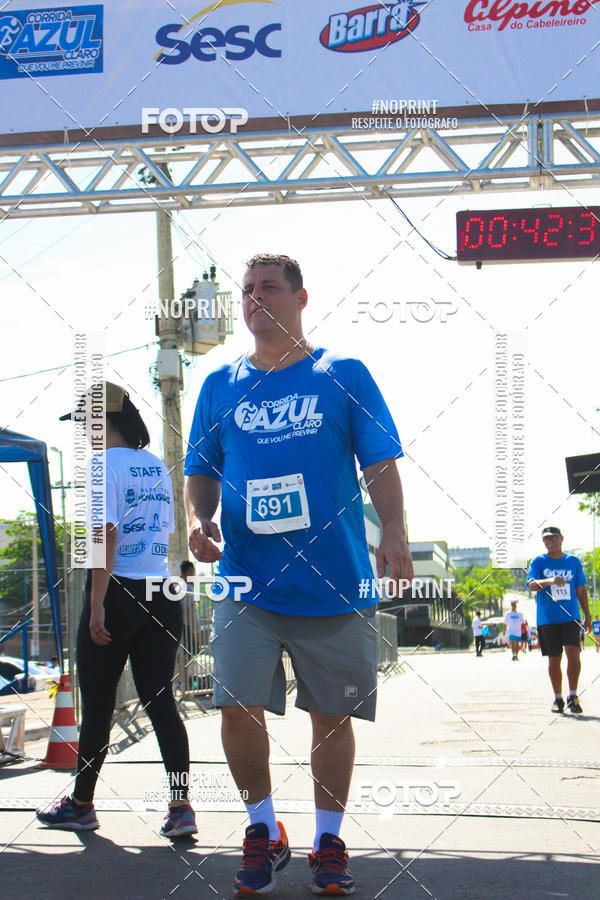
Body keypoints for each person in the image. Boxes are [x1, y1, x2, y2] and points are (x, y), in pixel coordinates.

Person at [184, 253, 413, 896]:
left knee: (332, 718)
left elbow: (381, 459)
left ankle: (329, 839)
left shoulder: (342, 374)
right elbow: (200, 470)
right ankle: (262, 827)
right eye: (247, 290)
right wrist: (199, 521)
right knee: (235, 705)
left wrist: (393, 530)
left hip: (334, 579)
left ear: (300, 298)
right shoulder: (218, 386)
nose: (256, 298)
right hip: (245, 580)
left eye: (269, 288)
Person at [37, 382, 196, 836]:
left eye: (84, 422)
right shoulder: (156, 467)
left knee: (100, 702)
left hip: (119, 589)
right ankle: (180, 806)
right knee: (160, 699)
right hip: (162, 591)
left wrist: (96, 604)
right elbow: (158, 534)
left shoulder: (101, 466)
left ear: (102, 421)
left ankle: (81, 803)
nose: (82, 432)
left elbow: (105, 535)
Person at [527, 526, 592, 714]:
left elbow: (580, 589)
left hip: (570, 615)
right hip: (547, 618)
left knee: (574, 653)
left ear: (561, 538)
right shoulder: (538, 562)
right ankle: (558, 698)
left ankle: (573, 694)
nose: (550, 542)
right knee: (554, 658)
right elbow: (531, 585)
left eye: (553, 538)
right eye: (546, 539)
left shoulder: (573, 561)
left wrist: (587, 615)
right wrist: (549, 581)